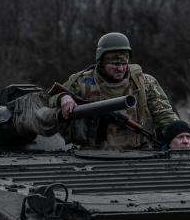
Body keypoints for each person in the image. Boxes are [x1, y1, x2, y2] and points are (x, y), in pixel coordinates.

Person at [49, 32, 179, 149]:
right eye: (115, 64)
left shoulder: (144, 82)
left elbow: (165, 115)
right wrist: (64, 97)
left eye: (124, 63)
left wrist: (179, 135)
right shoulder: (82, 81)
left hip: (140, 151)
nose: (120, 69)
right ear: (101, 62)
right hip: (92, 154)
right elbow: (50, 98)